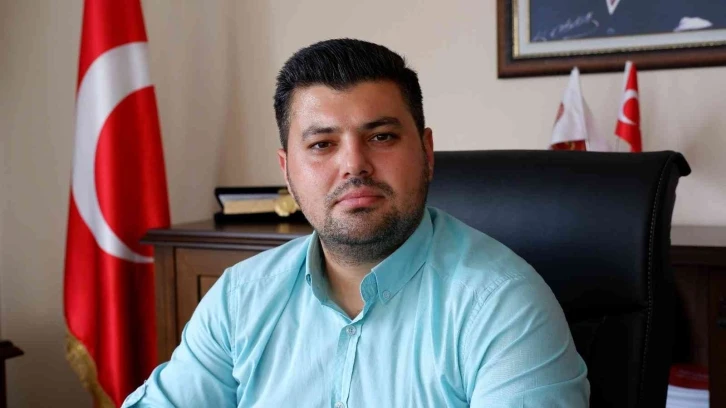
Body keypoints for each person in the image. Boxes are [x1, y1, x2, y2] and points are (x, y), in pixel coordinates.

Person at [122, 39, 589, 407]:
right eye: (322, 144)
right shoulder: (240, 298)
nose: (354, 165)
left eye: (381, 137)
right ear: (287, 171)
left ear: (426, 152)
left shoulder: (503, 304)